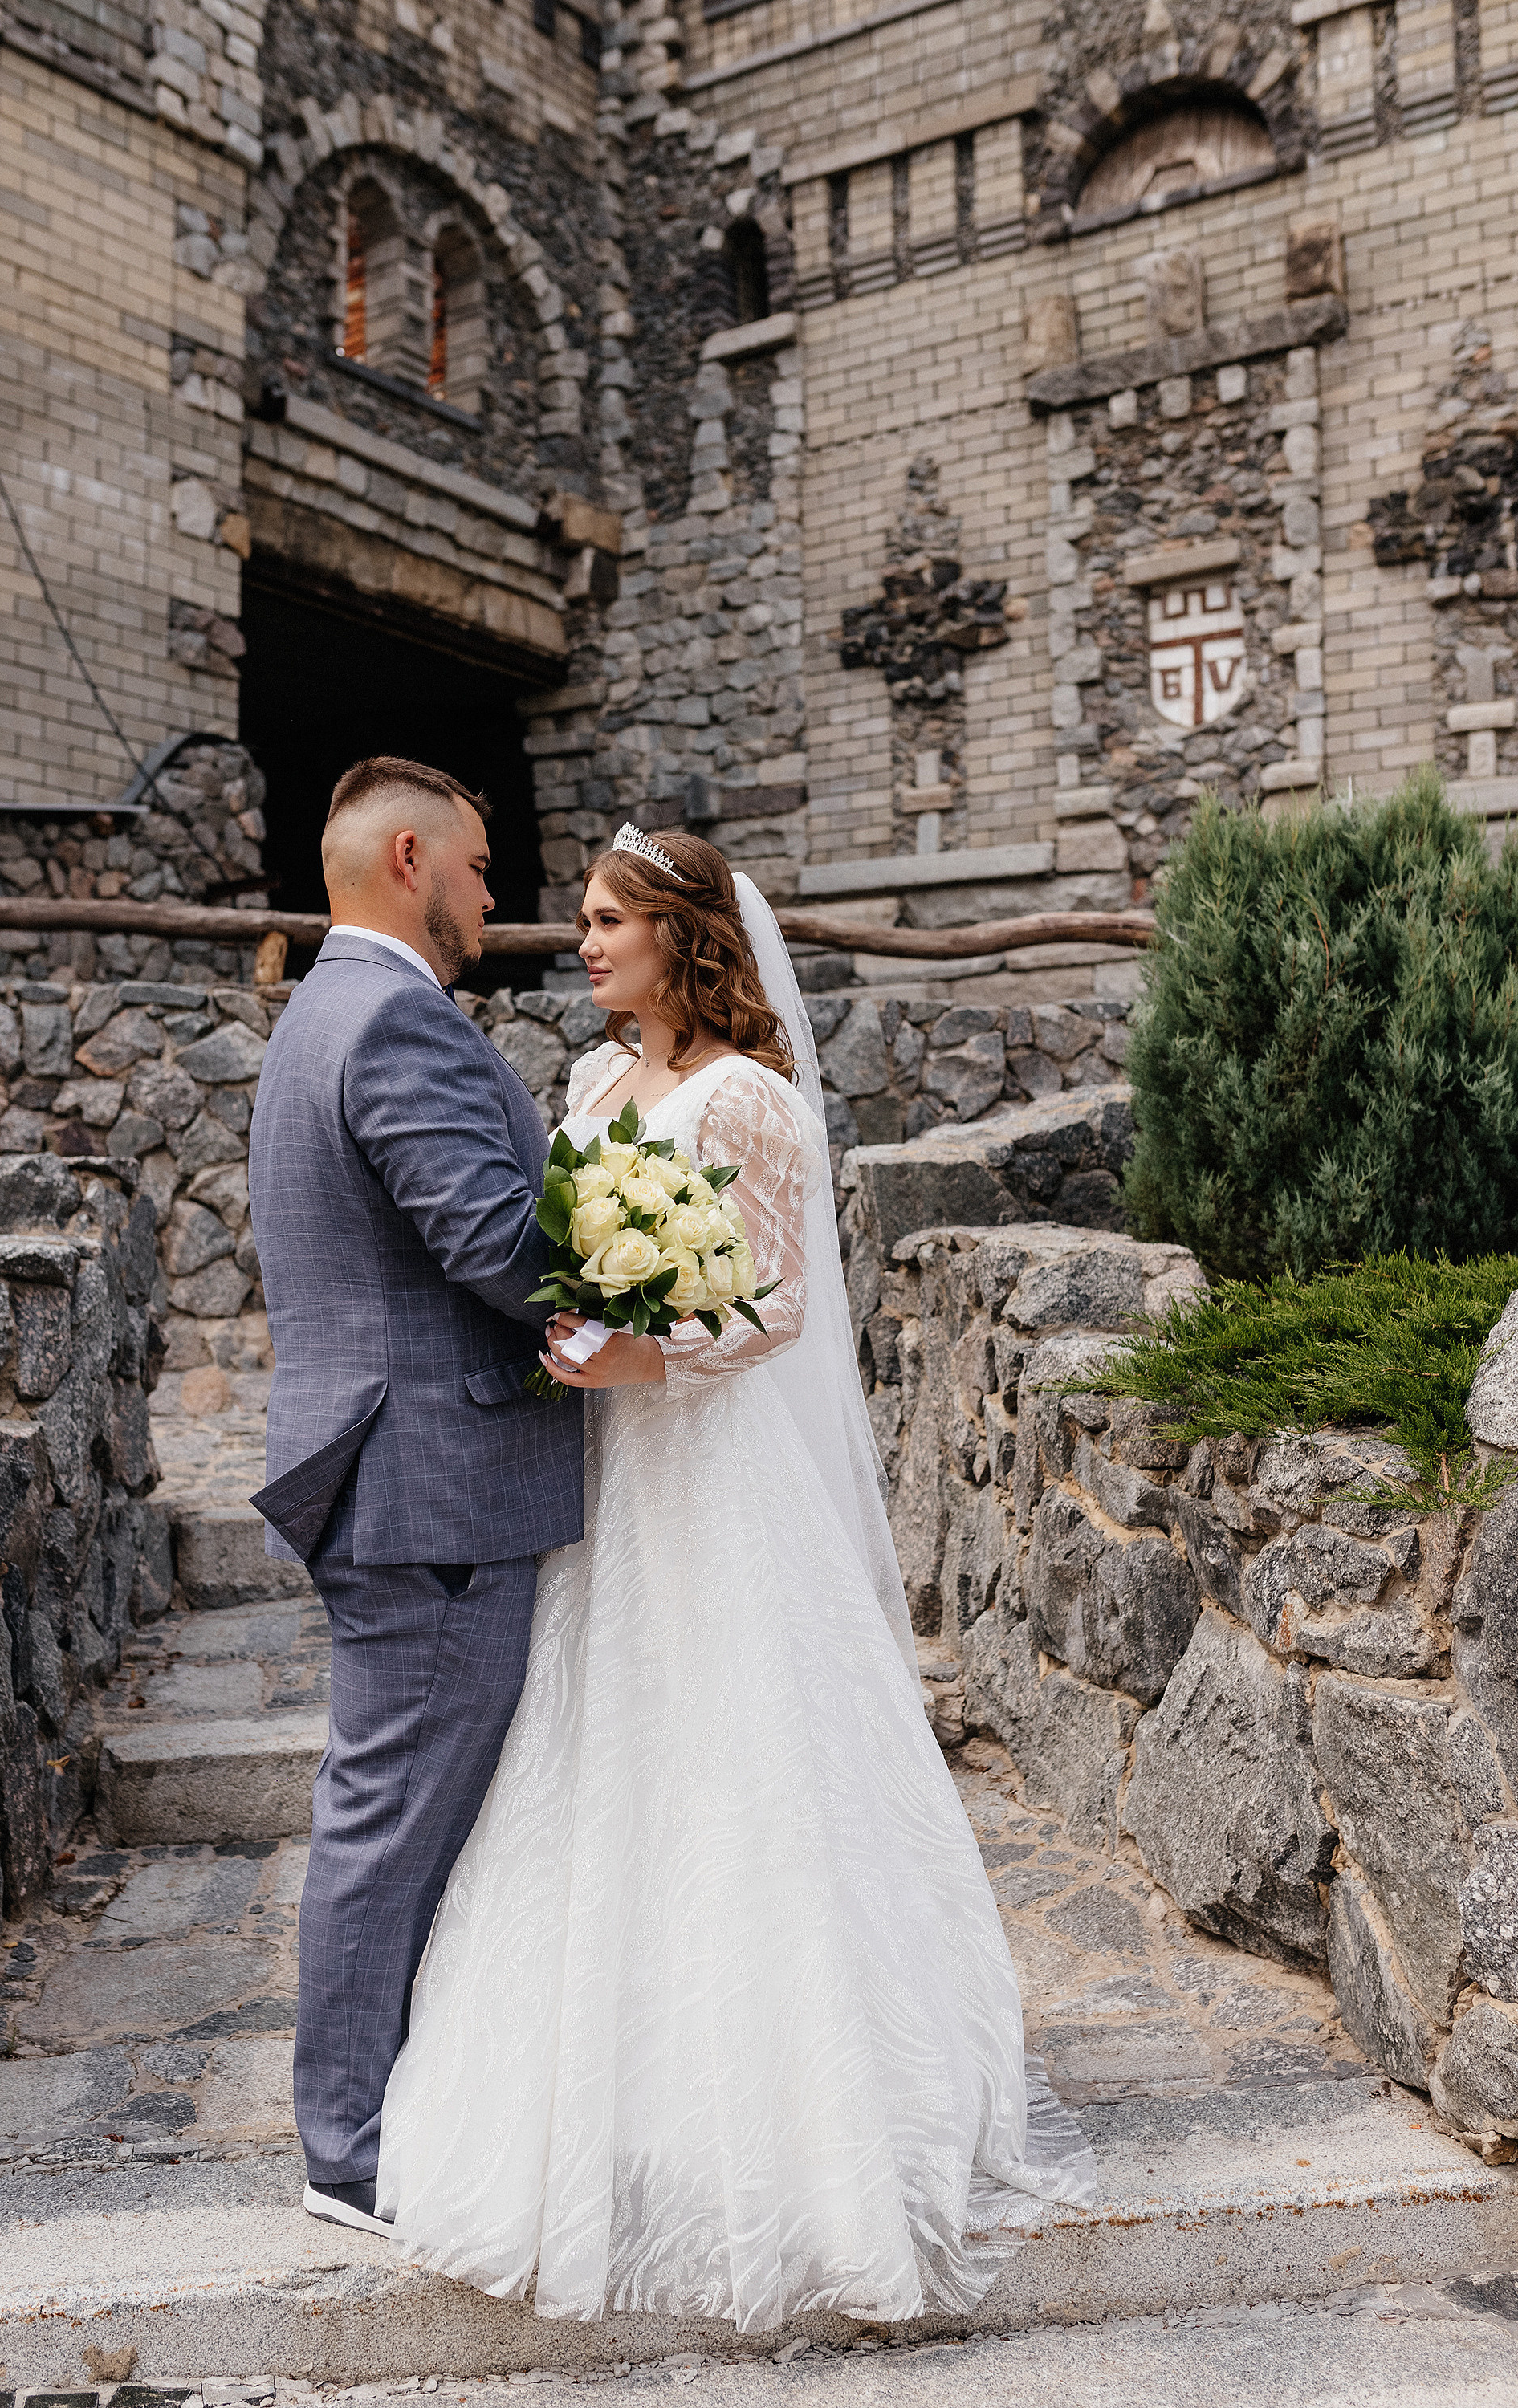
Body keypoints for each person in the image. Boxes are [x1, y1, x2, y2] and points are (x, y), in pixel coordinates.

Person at [375, 826, 1095, 2329]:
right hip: (614, 1477)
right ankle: (622, 2123)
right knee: (611, 1759)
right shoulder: (586, 1088)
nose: (579, 942)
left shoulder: (752, 1100)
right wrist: (582, 1337)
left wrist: (648, 1349)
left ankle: (810, 2131)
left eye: (606, 921)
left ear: (683, 936)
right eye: (575, 918)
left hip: (719, 1468)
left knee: (750, 1761)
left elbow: (772, 1310)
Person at [248, 755, 584, 2237]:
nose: (493, 892)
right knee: (386, 1821)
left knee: (388, 1809)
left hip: (389, 1474)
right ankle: (354, 2152)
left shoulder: (321, 1008)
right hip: (429, 1487)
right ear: (407, 860)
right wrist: (650, 1292)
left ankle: (378, 2114)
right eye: (478, 864)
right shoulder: (394, 1018)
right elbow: (494, 1244)